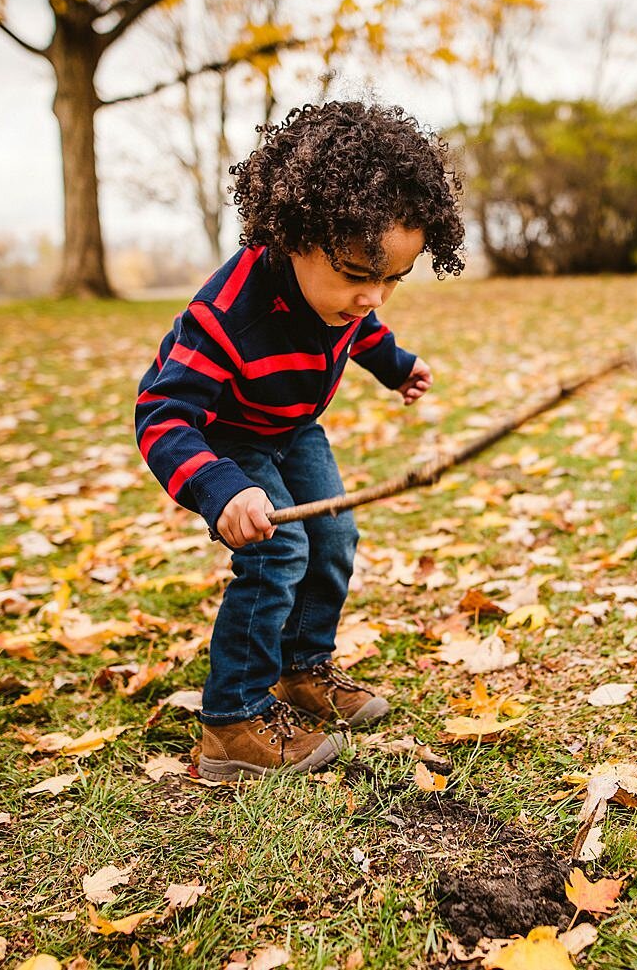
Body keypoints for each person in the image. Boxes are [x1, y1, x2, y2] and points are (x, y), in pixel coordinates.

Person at [133, 101, 466, 781]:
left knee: (335, 535)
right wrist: (221, 488)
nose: (373, 295)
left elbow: (358, 327)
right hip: (229, 441)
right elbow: (161, 412)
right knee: (278, 550)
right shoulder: (228, 312)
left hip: (293, 427)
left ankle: (301, 670)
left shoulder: (342, 295)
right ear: (294, 237)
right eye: (356, 274)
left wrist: (396, 364)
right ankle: (230, 720)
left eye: (392, 279)